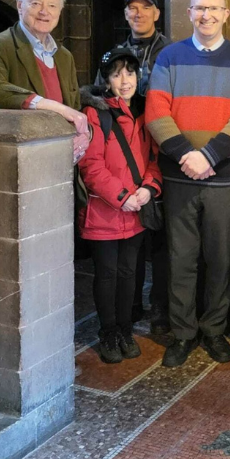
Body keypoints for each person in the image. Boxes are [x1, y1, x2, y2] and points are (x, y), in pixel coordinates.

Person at [146, 0, 230, 368]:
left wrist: (209, 155)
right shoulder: (169, 56)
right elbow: (156, 113)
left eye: (213, 8)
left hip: (224, 178)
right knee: (181, 259)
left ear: (226, 13)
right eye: (199, 8)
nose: (206, 15)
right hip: (179, 177)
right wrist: (187, 157)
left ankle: (213, 330)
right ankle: (183, 333)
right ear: (190, 12)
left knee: (220, 259)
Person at [93, 0, 173, 335]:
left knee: (156, 243)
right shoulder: (115, 55)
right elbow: (97, 100)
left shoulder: (170, 51)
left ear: (157, 13)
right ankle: (125, 315)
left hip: (155, 146)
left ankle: (156, 307)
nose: (138, 14)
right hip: (116, 179)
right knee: (121, 263)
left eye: (146, 8)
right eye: (132, 9)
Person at [78, 46, 163, 364]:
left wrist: (149, 189)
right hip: (106, 209)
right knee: (108, 273)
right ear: (107, 79)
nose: (124, 80)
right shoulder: (96, 113)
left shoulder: (145, 111)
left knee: (130, 272)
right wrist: (122, 197)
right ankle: (109, 332)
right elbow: (91, 166)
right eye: (116, 74)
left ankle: (125, 329)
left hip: (137, 208)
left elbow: (154, 159)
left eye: (130, 72)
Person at [0, 0, 92, 161]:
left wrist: (85, 133)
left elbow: (73, 109)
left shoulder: (65, 56)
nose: (44, 12)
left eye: (52, 6)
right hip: (23, 163)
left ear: (59, 11)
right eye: (35, 3)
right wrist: (45, 104)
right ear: (19, 5)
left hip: (62, 162)